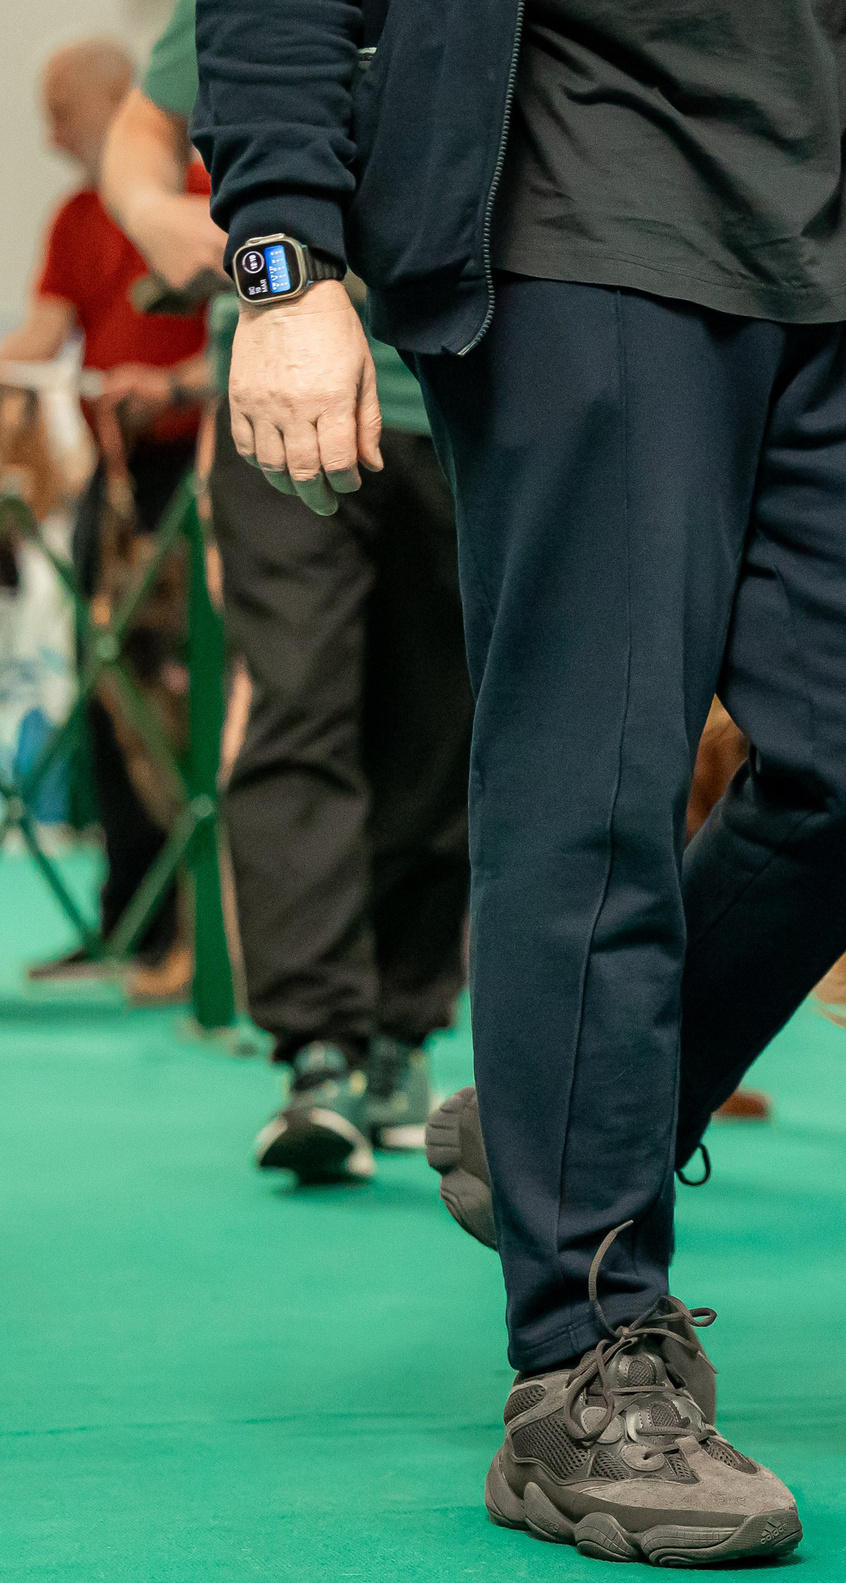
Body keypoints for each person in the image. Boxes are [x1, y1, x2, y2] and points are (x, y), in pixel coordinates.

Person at [201, 0, 846, 1566]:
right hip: (575, 213)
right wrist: (282, 251)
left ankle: (544, 1130)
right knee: (595, 789)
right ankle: (584, 1363)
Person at [106, 0, 472, 1184]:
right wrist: (158, 212)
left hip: (464, 400)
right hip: (277, 397)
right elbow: (140, 135)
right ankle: (314, 1046)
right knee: (296, 703)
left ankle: (401, 1036)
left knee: (442, 725)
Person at [3, 39, 207, 992]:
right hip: (115, 487)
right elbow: (42, 334)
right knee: (104, 695)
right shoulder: (74, 217)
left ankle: (199, 930)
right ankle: (128, 914)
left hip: (201, 477)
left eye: (57, 107)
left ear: (117, 103)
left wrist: (170, 386)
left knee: (185, 702)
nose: (46, 130)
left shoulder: (209, 191)